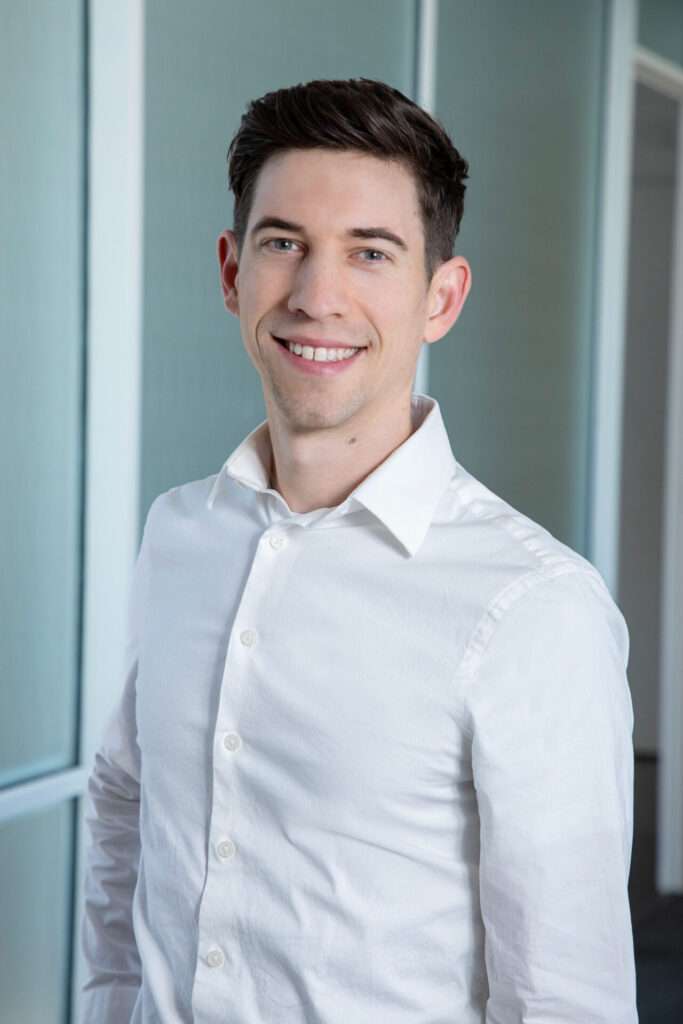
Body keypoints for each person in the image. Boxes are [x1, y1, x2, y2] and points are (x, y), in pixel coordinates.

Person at [80, 78, 638, 1023]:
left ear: (440, 298)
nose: (316, 296)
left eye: (369, 253)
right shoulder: (180, 533)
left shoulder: (534, 606)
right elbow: (127, 804)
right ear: (231, 272)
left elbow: (563, 998)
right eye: (282, 243)